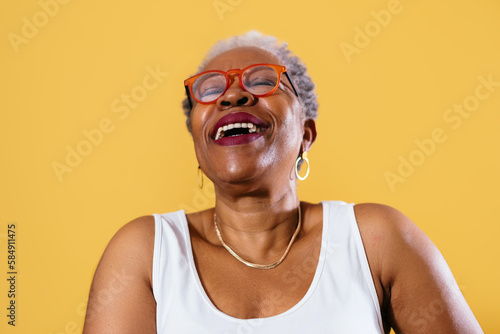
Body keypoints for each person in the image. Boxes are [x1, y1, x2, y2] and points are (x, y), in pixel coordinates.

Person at [83, 31, 483, 333]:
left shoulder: (376, 239)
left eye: (261, 81)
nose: (232, 96)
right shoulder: (145, 253)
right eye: (210, 88)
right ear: (199, 147)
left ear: (306, 134)